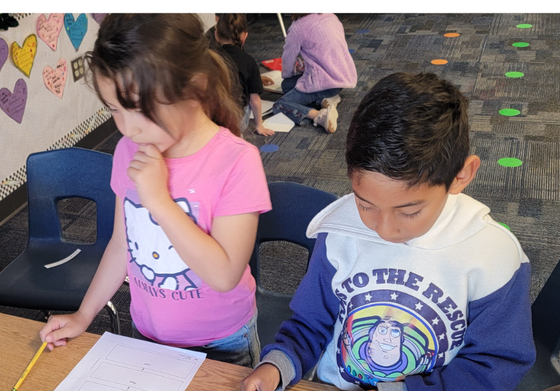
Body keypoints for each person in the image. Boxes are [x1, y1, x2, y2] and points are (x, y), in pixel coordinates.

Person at [242, 71, 535, 391]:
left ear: (461, 175)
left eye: (409, 211)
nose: (384, 229)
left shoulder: (493, 255)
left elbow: (495, 364)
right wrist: (276, 365)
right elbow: (312, 322)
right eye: (365, 204)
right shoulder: (341, 233)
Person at [39, 13, 271, 366]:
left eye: (141, 110)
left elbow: (224, 275)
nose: (128, 128)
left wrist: (160, 202)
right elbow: (121, 246)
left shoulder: (237, 161)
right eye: (115, 109)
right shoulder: (128, 151)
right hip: (148, 334)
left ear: (195, 88)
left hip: (222, 344)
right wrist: (84, 315)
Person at [272, 14, 357, 133]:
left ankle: (319, 115)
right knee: (287, 85)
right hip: (341, 78)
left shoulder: (297, 28)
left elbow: (288, 58)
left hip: (322, 83)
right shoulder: (331, 16)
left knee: (280, 105)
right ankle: (326, 98)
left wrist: (288, 74)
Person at [211, 14, 275, 137]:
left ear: (216, 34)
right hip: (236, 118)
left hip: (213, 117)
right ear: (244, 36)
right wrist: (259, 126)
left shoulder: (210, 57)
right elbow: (255, 101)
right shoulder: (248, 61)